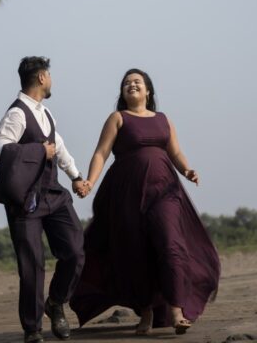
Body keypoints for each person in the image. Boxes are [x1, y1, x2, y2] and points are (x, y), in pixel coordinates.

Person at [70, 68, 220, 335]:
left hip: (165, 192)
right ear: (122, 92)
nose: (132, 85)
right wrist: (90, 181)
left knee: (171, 244)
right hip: (127, 194)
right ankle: (146, 312)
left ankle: (176, 309)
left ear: (148, 90)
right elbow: (101, 153)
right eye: (127, 83)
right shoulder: (118, 118)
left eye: (137, 82)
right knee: (136, 252)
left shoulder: (163, 119)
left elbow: (175, 151)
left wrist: (187, 170)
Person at [0, 56, 86, 343]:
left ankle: (56, 302)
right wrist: (36, 150)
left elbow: (60, 147)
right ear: (42, 78)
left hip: (53, 195)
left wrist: (76, 176)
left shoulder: (46, 113)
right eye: (50, 76)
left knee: (75, 251)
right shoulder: (17, 114)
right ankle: (32, 330)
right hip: (25, 202)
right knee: (32, 265)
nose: (52, 81)